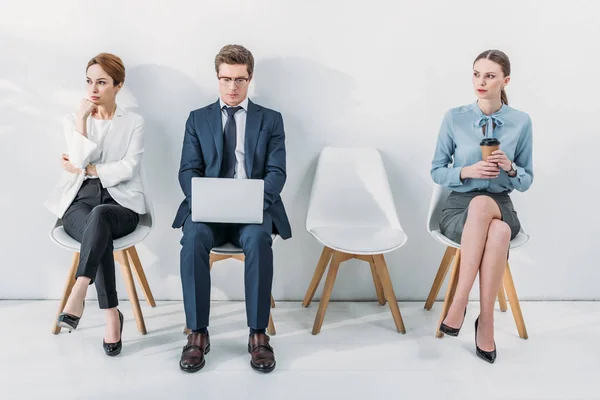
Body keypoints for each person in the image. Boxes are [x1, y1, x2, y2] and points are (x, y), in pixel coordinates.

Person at [173, 44, 291, 373]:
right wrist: (204, 201)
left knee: (257, 240)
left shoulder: (271, 120)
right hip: (208, 211)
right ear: (217, 78)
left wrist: (254, 202)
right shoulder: (198, 119)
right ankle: (197, 333)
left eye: (239, 79)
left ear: (250, 78)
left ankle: (258, 335)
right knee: (193, 238)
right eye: (225, 79)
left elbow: (277, 172)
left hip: (252, 211)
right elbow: (187, 170)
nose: (232, 87)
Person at [430, 49, 533, 363]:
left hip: (503, 204)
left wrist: (511, 168)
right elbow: (436, 170)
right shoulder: (455, 117)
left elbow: (526, 180)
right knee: (498, 232)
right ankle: (484, 321)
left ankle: (459, 303)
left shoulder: (520, 122)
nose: (481, 81)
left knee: (489, 210)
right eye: (476, 74)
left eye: (489, 75)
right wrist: (467, 171)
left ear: (505, 80)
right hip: (459, 207)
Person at [45, 53, 146, 357]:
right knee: (96, 229)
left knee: (101, 218)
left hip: (121, 202)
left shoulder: (134, 122)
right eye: (89, 81)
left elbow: (129, 167)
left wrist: (92, 169)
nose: (93, 89)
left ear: (118, 85)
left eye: (102, 82)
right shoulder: (74, 120)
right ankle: (111, 315)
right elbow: (75, 161)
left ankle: (80, 290)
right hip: (80, 201)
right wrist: (81, 122)